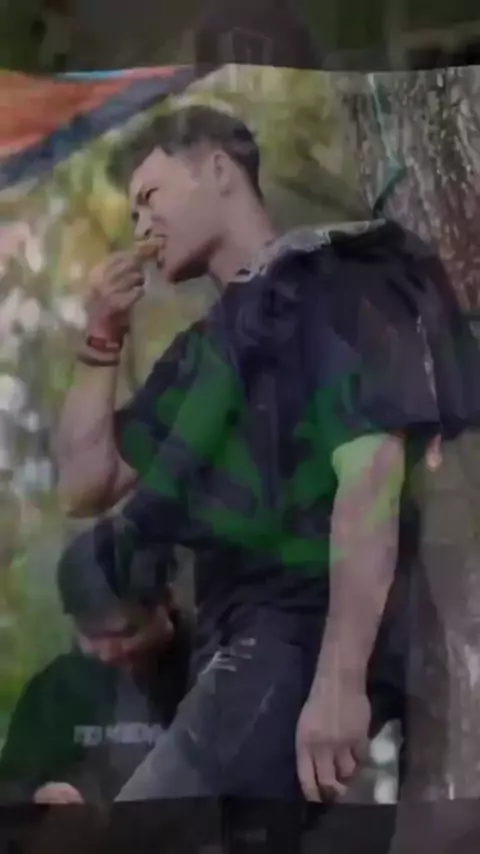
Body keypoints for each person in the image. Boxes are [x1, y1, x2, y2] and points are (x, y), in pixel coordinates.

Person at [55, 104, 458, 833]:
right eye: (134, 211)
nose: (141, 223)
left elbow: (371, 477)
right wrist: (102, 336)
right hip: (230, 652)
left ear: (218, 170)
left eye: (150, 196)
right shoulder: (199, 355)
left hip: (303, 637)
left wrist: (339, 681)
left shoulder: (334, 283)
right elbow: (86, 484)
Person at [0, 517, 191, 807]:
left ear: (166, 601)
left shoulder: (213, 671)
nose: (108, 652)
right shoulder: (57, 690)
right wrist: (36, 797)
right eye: (91, 636)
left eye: (127, 633)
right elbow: (10, 784)